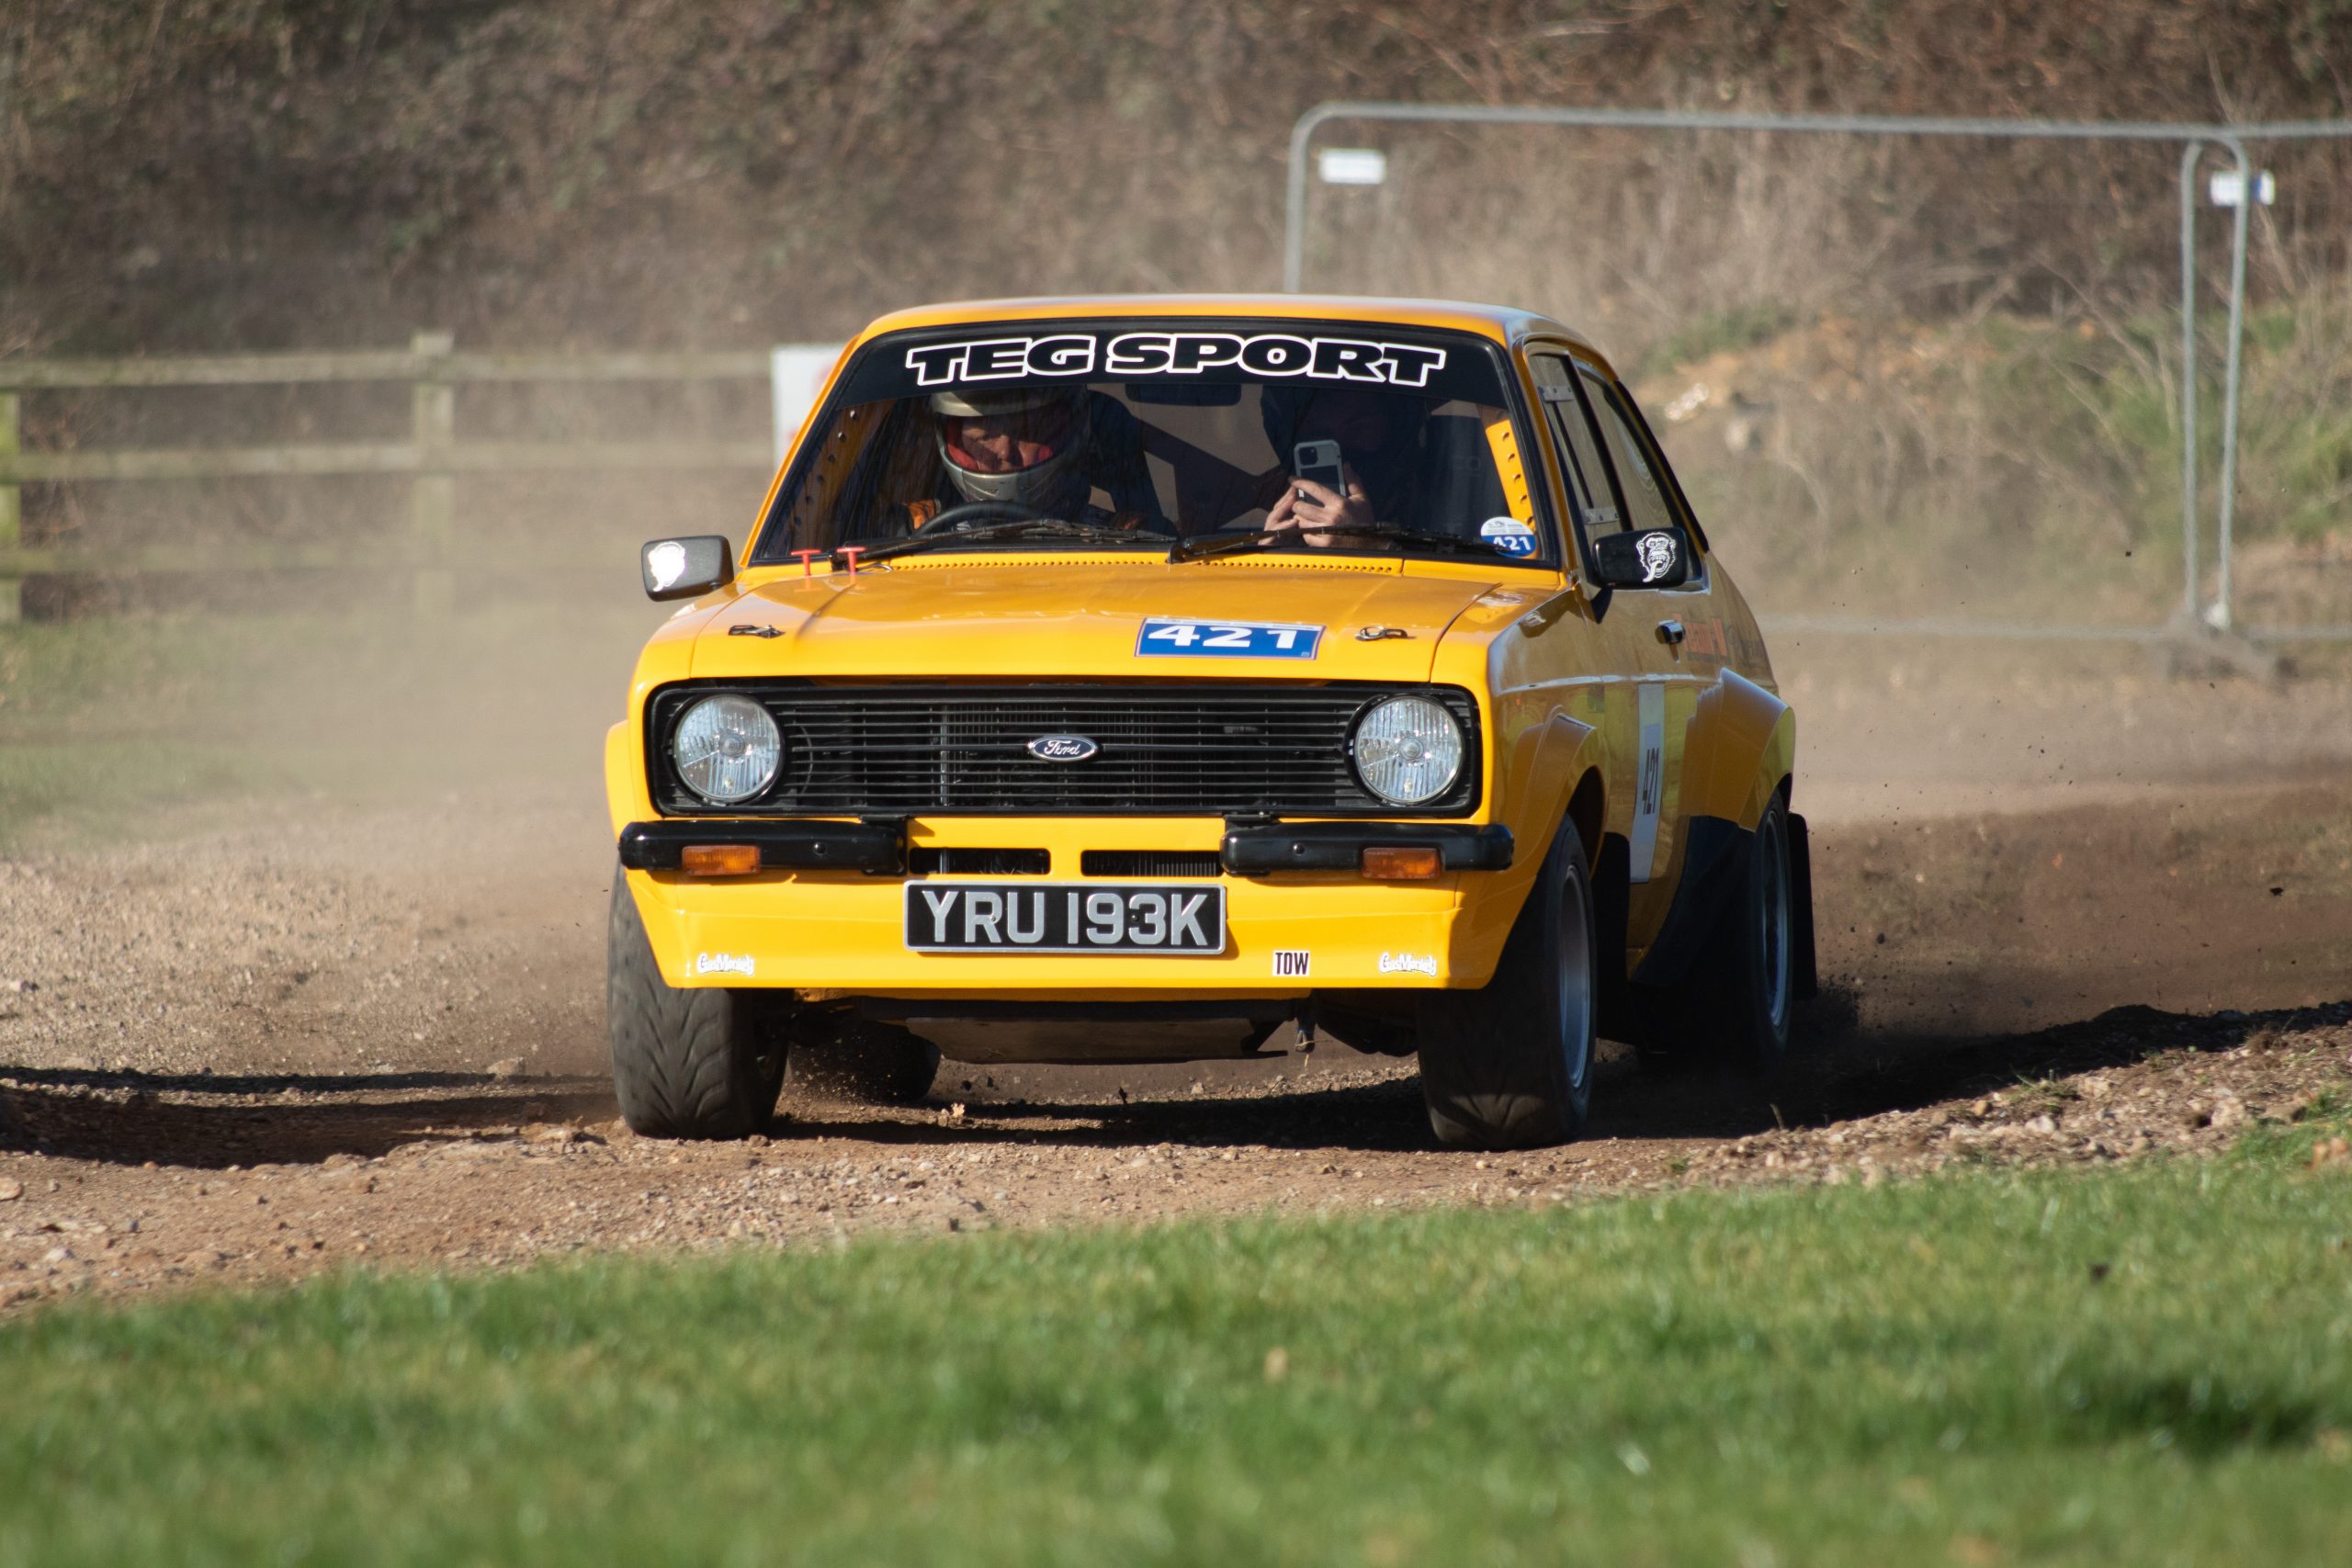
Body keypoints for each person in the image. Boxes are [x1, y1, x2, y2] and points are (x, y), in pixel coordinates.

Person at [893, 387, 1164, 534]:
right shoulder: (914, 535)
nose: (1003, 452)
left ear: (1068, 434)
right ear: (956, 445)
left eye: (1024, 433)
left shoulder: (1127, 540)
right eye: (985, 437)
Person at [1257, 385, 1432, 547]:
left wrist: (1370, 545)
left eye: (1360, 428)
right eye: (1319, 433)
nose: (1340, 448)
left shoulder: (1442, 506)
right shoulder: (1269, 498)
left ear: (1396, 431)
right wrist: (1269, 558)